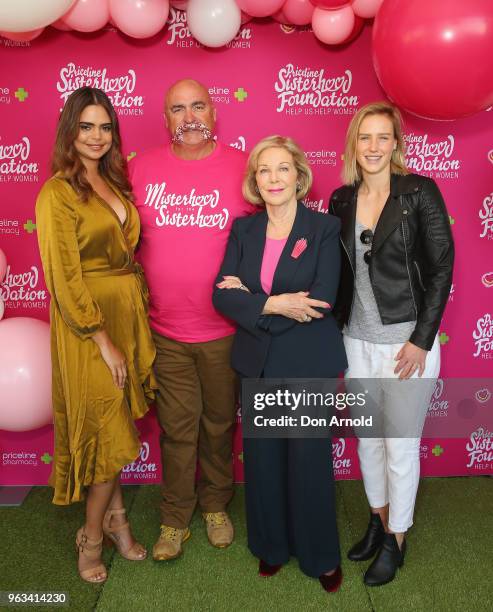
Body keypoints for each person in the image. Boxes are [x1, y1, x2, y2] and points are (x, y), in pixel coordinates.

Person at [213, 135, 347, 593]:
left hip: (308, 360)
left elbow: (322, 299)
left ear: (299, 176)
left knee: (309, 460)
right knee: (266, 460)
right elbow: (220, 293)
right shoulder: (243, 230)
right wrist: (272, 304)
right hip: (259, 361)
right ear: (256, 180)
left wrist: (254, 301)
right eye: (264, 169)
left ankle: (320, 557)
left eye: (282, 168)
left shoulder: (324, 228)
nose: (273, 177)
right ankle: (271, 547)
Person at [329, 101, 454, 586]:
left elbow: (442, 266)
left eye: (383, 138)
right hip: (355, 341)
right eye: (366, 138)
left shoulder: (419, 192)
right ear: (354, 145)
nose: (374, 147)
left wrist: (421, 340)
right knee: (368, 443)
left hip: (406, 345)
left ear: (396, 144)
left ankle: (396, 537)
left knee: (400, 446)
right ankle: (378, 521)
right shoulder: (341, 200)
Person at [36, 87, 156, 584]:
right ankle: (90, 538)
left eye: (105, 127)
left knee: (116, 430)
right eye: (86, 126)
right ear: (70, 131)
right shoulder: (56, 193)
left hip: (125, 312)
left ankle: (118, 522)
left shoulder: (113, 181)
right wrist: (101, 338)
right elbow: (64, 279)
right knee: (110, 428)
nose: (96, 136)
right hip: (87, 326)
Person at [129, 79, 252, 560]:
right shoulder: (140, 169)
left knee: (220, 424)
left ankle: (216, 506)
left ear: (214, 112)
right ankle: (175, 517)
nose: (188, 117)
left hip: (224, 331)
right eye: (177, 108)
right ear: (166, 119)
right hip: (166, 332)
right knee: (179, 428)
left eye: (197, 105)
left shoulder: (244, 167)